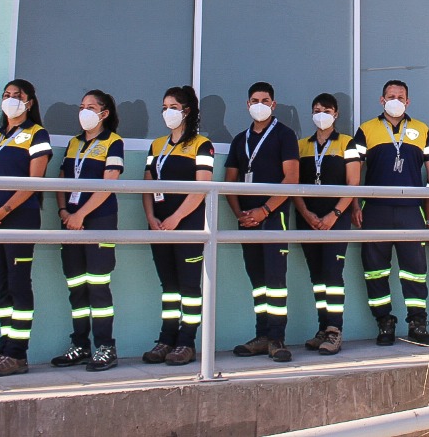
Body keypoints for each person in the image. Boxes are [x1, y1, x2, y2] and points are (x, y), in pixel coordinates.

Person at [352, 80, 429, 346]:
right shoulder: (366, 129)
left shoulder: (421, 129)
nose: (395, 100)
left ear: (408, 101)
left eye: (400, 96)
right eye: (390, 96)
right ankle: (384, 323)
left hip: (411, 210)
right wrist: (354, 204)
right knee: (375, 271)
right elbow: (356, 169)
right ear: (382, 100)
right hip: (375, 210)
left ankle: (417, 324)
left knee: (415, 271)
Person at [0, 79, 52, 377]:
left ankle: (17, 354)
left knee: (18, 284)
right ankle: (4, 347)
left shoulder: (37, 134)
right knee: (2, 286)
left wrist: (4, 210)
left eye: (18, 95)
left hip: (19, 217)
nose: (11, 99)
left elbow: (34, 181)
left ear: (29, 102)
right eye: (7, 94)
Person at [226, 82, 300, 363]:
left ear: (273, 104)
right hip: (246, 220)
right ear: (248, 105)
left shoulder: (285, 135)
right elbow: (230, 182)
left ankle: (276, 338)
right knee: (257, 280)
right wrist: (240, 213)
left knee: (275, 280)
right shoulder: (239, 139)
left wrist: (265, 210)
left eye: (265, 100)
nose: (260, 105)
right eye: (255, 101)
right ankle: (262, 336)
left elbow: (291, 179)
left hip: (273, 217)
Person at [51, 89, 123, 372]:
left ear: (104, 113)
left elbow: (109, 183)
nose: (84, 111)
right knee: (76, 286)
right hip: (69, 220)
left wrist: (81, 214)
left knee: (98, 285)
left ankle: (105, 347)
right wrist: (64, 212)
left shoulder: (113, 142)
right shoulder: (73, 143)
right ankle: (80, 344)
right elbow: (61, 180)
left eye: (91, 107)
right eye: (81, 106)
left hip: (99, 220)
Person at [142, 85, 214, 367]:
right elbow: (147, 185)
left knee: (189, 286)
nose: (167, 112)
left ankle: (187, 342)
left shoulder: (201, 144)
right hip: (159, 226)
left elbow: (201, 188)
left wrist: (176, 218)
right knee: (169, 286)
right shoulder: (156, 145)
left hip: (188, 225)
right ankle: (166, 338)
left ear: (186, 111)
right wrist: (151, 217)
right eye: (164, 108)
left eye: (172, 107)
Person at [292, 92, 360, 355]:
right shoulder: (301, 145)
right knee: (317, 276)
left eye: (327, 110)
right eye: (317, 110)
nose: (322, 115)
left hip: (336, 219)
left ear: (336, 114)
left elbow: (353, 184)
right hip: (308, 218)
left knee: (332, 275)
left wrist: (335, 214)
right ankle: (322, 328)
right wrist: (306, 214)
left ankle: (334, 330)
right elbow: (294, 185)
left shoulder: (347, 143)